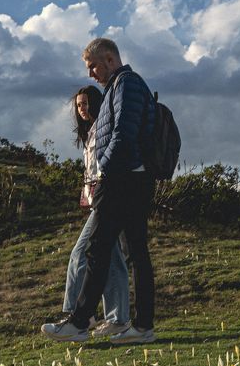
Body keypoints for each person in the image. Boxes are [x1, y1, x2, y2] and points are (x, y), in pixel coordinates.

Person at [42, 38, 157, 344]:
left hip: (121, 179)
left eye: (93, 66)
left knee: (99, 249)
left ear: (109, 59)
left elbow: (124, 132)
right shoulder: (119, 86)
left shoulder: (126, 84)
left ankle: (80, 322)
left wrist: (104, 168)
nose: (90, 73)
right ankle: (141, 326)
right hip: (132, 177)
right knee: (132, 252)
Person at [48, 86, 130, 337]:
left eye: (85, 104)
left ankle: (77, 315)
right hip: (101, 200)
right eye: (78, 106)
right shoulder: (91, 133)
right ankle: (118, 318)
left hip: (110, 198)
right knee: (113, 260)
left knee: (80, 253)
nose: (81, 109)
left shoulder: (104, 129)